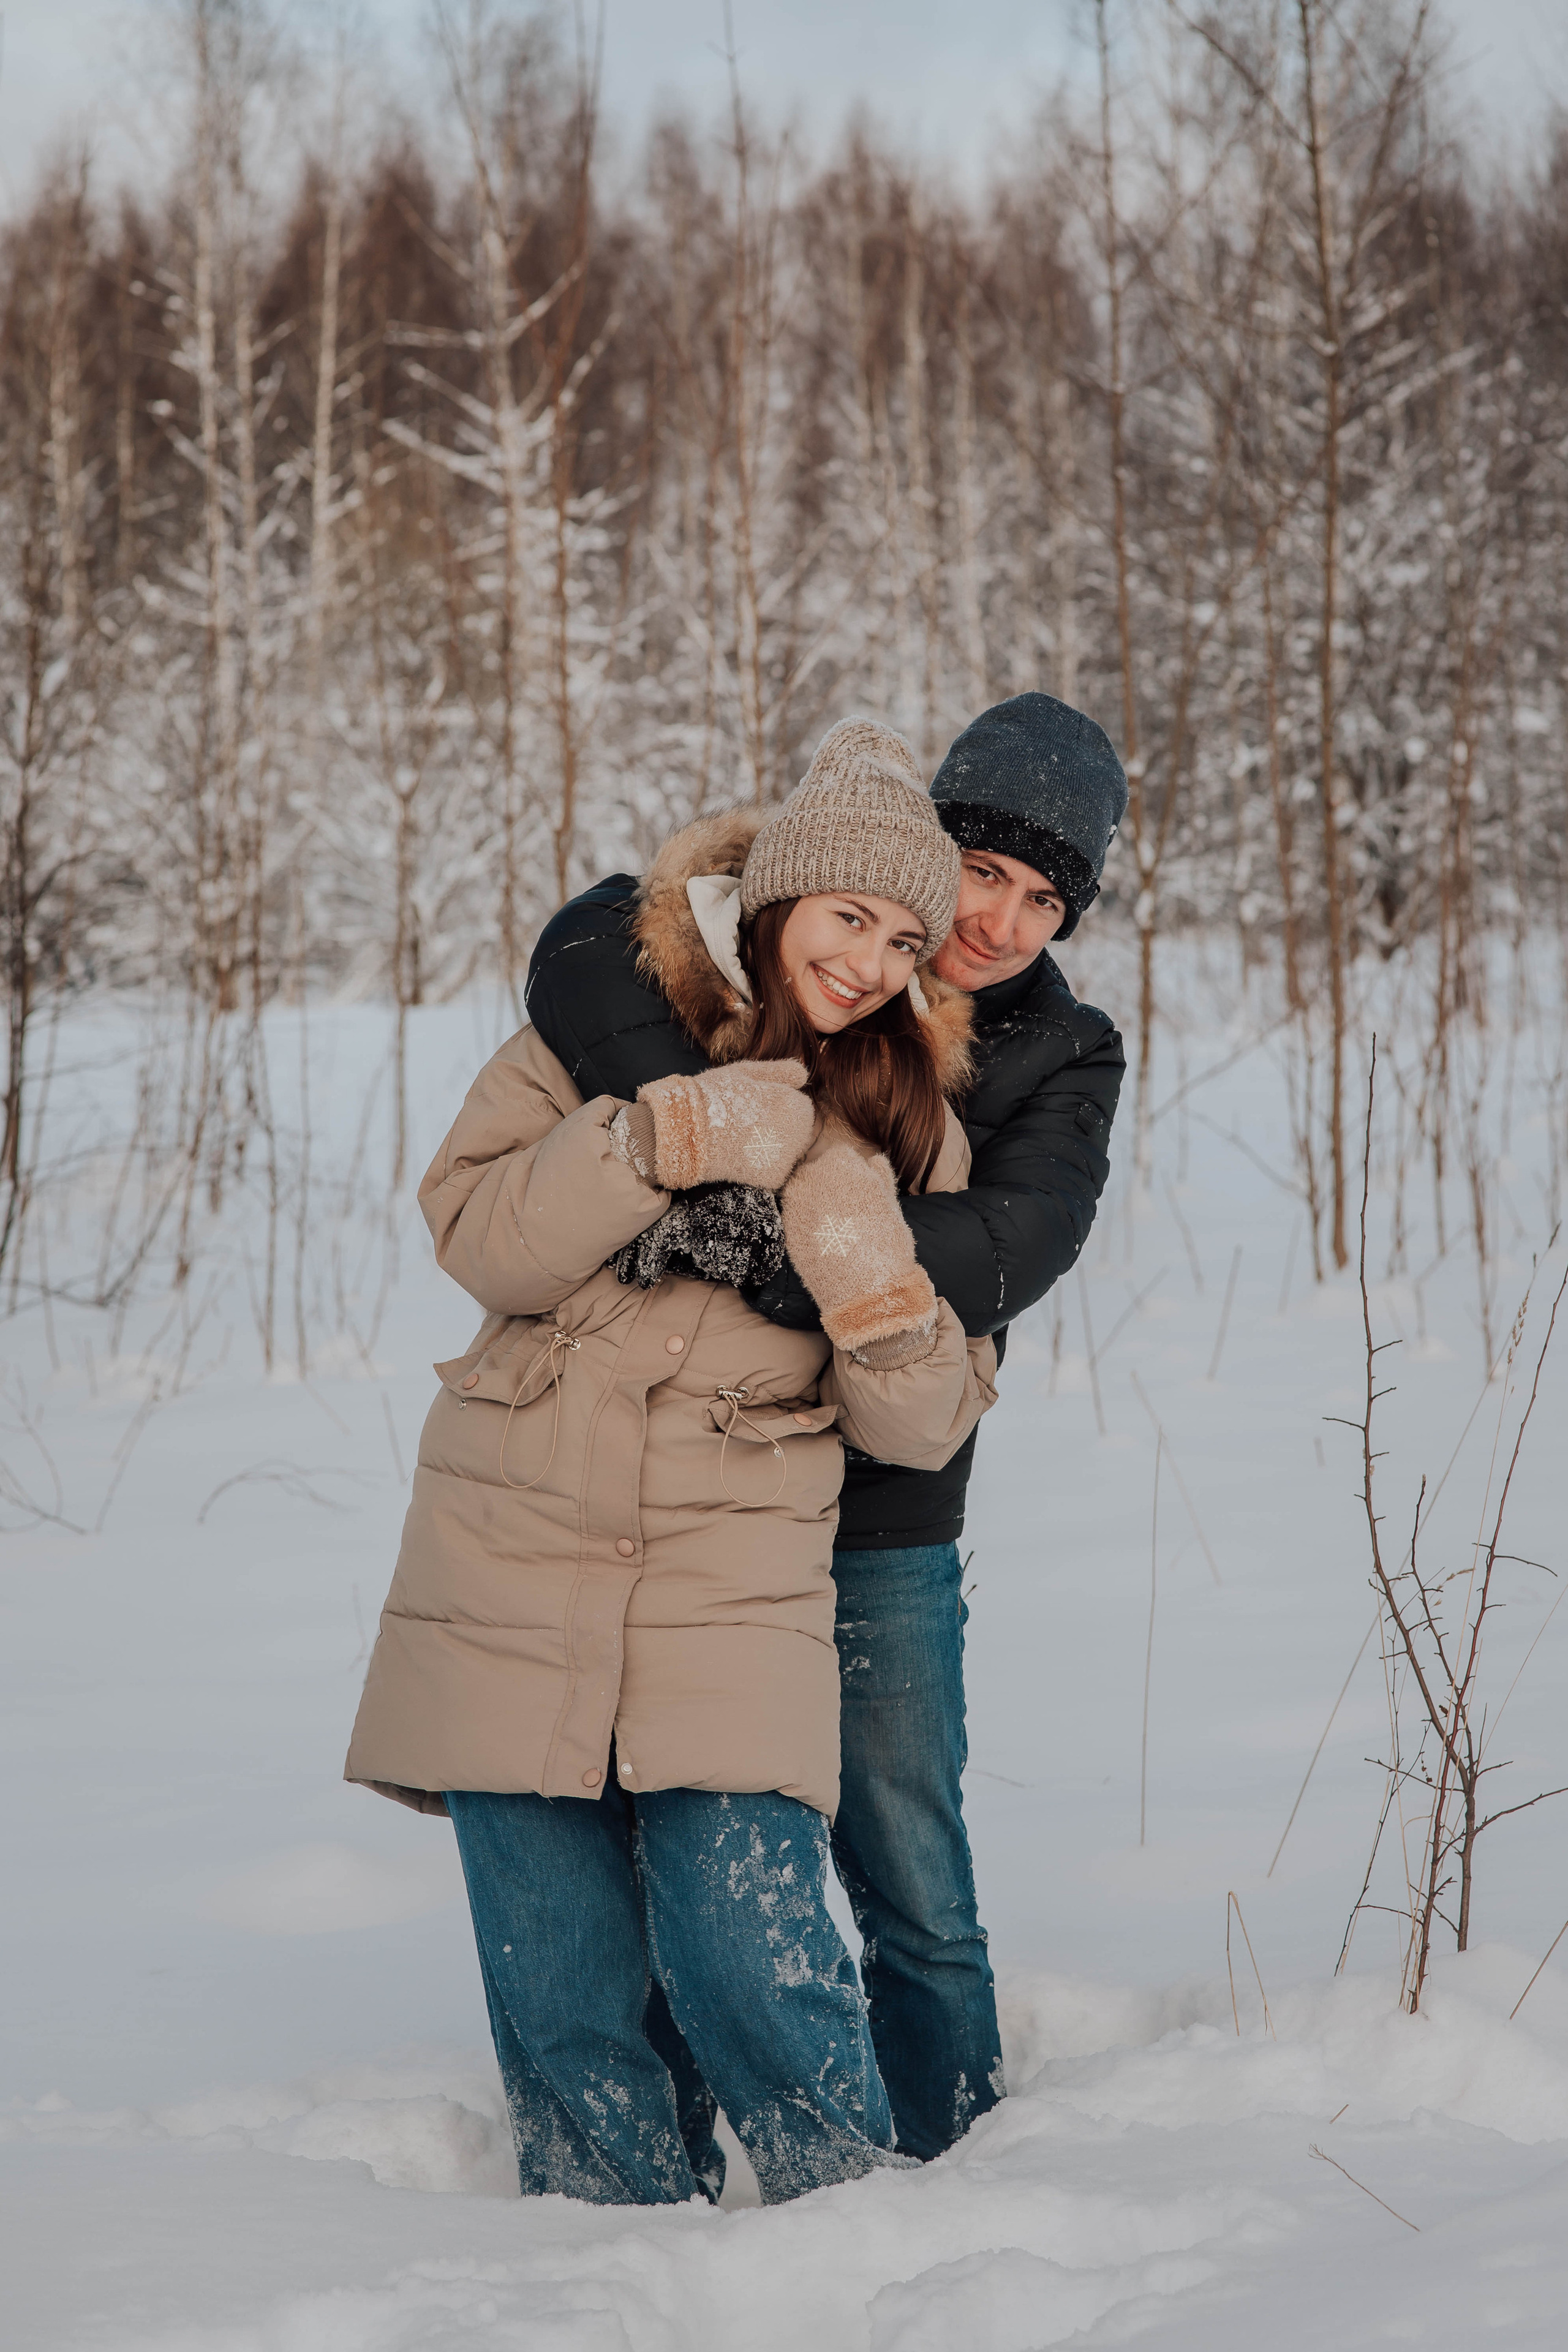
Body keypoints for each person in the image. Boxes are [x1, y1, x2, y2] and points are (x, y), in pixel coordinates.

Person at [345, 720, 998, 2206]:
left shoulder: (910, 1122)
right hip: (514, 1544)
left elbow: (923, 1420)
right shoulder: (592, 1038)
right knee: (564, 1994)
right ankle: (600, 2263)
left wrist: (873, 1289)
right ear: (772, 902)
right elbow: (476, 1238)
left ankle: (856, 2253)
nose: (871, 962)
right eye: (848, 918)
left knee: (754, 1962)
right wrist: (648, 1145)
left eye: (904, 938)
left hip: (731, 1573)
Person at [524, 691, 1127, 2162]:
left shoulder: (1061, 1048)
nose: (998, 922)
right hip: (706, 1498)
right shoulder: (794, 933)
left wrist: (786, 1232)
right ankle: (671, 2166)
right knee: (681, 1844)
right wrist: (703, 1136)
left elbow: (1018, 1241)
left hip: (884, 1514)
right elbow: (589, 941)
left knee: (907, 1866)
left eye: (1044, 898)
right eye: (979, 872)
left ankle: (954, 2155)